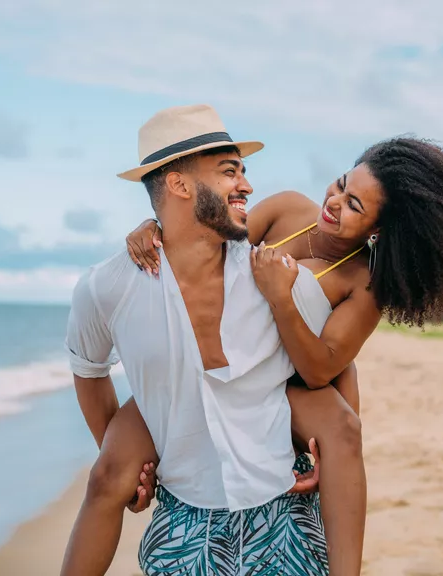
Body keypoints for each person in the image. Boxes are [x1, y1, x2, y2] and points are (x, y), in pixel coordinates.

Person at [122, 126, 443, 571]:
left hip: (283, 382)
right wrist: (156, 227)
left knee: (344, 429)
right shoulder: (285, 209)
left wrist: (281, 297)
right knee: (111, 472)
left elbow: (321, 369)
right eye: (341, 184)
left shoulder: (365, 283)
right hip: (214, 360)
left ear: (379, 229)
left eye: (354, 205)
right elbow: (211, 242)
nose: (334, 201)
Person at [63, 104, 367, 576]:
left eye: (244, 172)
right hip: (184, 498)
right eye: (230, 172)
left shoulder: (279, 280)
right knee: (105, 477)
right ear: (179, 185)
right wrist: (135, 472)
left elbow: (334, 365)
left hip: (274, 489)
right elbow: (89, 370)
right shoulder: (108, 286)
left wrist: (331, 449)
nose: (246, 184)